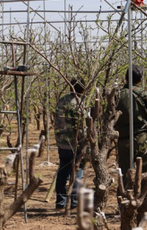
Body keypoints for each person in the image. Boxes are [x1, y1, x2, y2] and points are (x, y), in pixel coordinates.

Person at [115, 64, 147, 176]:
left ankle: (123, 193)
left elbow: (109, 116)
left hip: (123, 138)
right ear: (140, 79)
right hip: (141, 137)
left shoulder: (117, 95)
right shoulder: (145, 95)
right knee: (145, 170)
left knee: (124, 172)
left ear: (126, 78)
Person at [54, 77, 87, 210]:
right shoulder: (79, 103)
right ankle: (74, 202)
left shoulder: (62, 100)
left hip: (62, 142)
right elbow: (81, 126)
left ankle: (60, 202)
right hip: (76, 144)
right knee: (77, 173)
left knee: (62, 172)